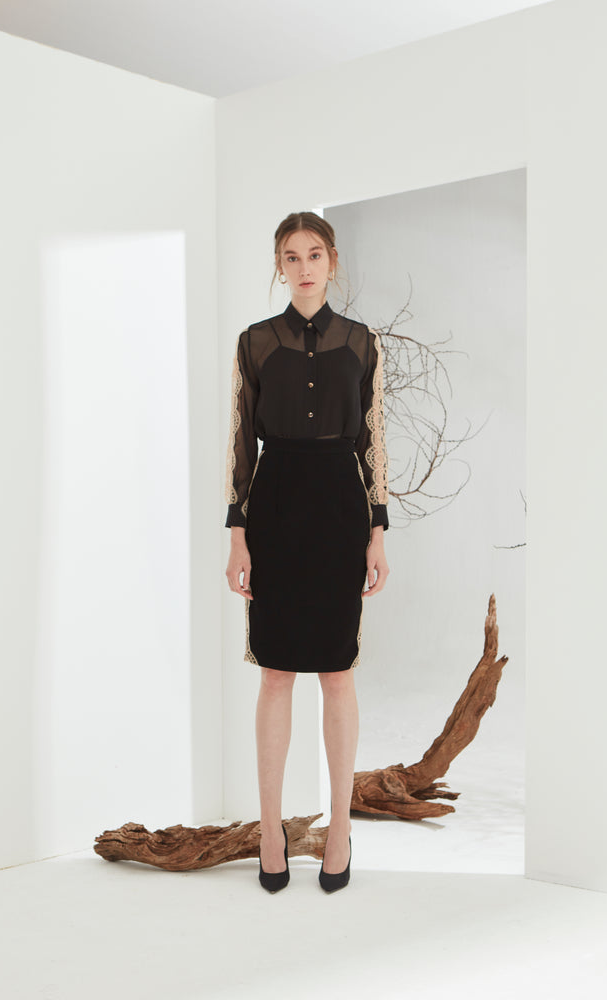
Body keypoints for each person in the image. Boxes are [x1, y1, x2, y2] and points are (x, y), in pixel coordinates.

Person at [224, 211, 390, 893]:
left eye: (314, 254)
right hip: (276, 507)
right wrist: (237, 532)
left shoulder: (361, 341)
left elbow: (373, 437)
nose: (303, 267)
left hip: (340, 510)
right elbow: (242, 438)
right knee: (274, 673)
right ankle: (271, 830)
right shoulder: (256, 342)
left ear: (332, 261)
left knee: (337, 673)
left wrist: (378, 529)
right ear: (278, 265)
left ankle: (340, 829)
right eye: (290, 256)